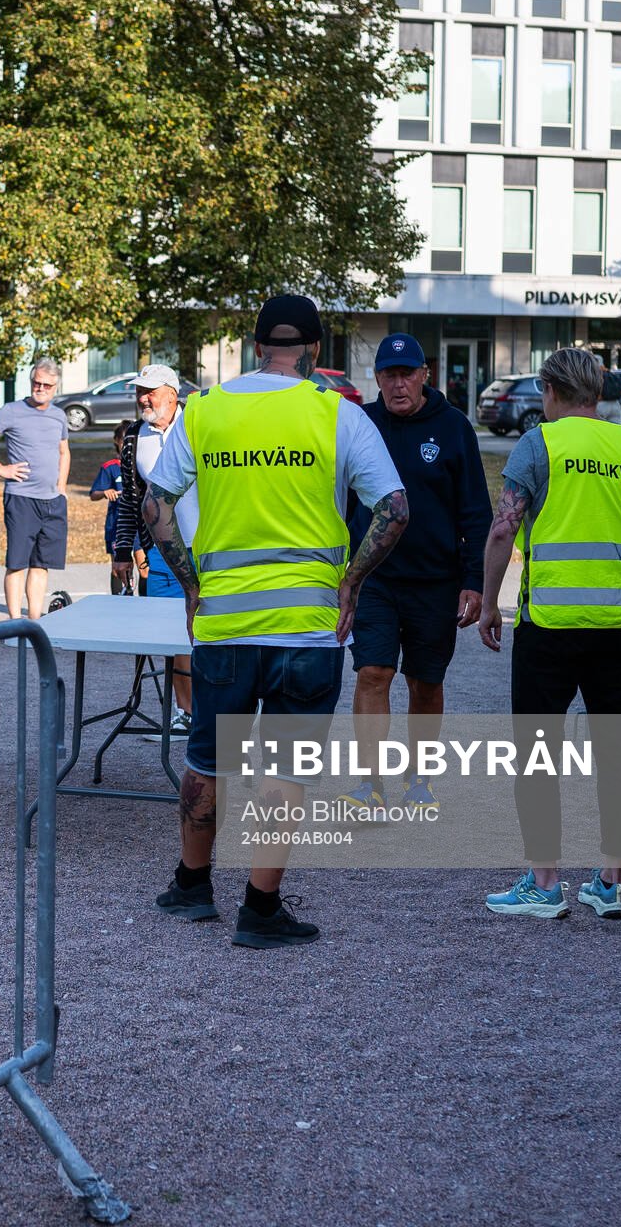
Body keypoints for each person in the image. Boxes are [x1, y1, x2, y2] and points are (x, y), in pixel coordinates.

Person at [147, 294, 408, 949]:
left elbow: (155, 505)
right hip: (307, 628)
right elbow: (395, 508)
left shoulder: (206, 411)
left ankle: (192, 887)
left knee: (207, 758)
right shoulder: (336, 414)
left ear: (256, 345)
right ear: (316, 351)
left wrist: (189, 584)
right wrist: (352, 582)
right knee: (285, 769)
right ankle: (260, 911)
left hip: (226, 624)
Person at [477, 348, 621, 920]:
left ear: (551, 390)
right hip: (620, 624)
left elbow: (502, 530)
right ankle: (610, 881)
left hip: (551, 627)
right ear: (599, 393)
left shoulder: (540, 443)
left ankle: (545, 882)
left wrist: (490, 604)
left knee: (538, 755)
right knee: (615, 752)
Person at [344, 333, 490, 809]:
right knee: (372, 672)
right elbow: (339, 503)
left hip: (436, 580)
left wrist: (474, 581)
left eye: (407, 373)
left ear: (425, 375)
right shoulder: (359, 423)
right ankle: (369, 783)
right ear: (378, 378)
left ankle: (420, 778)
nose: (398, 383)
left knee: (425, 682)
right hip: (375, 579)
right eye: (389, 374)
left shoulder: (453, 428)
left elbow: (475, 512)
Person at [111, 365, 196, 734]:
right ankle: (185, 711)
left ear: (173, 394)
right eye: (139, 391)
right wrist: (122, 549)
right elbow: (131, 500)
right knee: (171, 632)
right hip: (161, 548)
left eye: (151, 391)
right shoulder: (133, 436)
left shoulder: (198, 423)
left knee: (215, 629)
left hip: (211, 544)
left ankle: (224, 710)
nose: (143, 398)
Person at [0, 357, 70, 618]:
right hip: (22, 499)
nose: (41, 388)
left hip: (53, 501)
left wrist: (61, 486)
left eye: (47, 385)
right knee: (17, 564)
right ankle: (15, 622)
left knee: (41, 564)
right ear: (31, 381)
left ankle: (34, 623)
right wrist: (1, 469)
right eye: (37, 383)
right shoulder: (12, 411)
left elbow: (64, 451)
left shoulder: (59, 415)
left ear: (56, 386)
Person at [91, 422, 142, 594]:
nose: (127, 445)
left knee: (145, 568)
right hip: (117, 526)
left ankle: (146, 603)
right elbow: (93, 494)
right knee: (118, 568)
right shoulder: (110, 467)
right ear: (116, 441)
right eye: (123, 441)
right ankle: (119, 601)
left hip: (140, 526)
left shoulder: (142, 463)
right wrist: (105, 492)